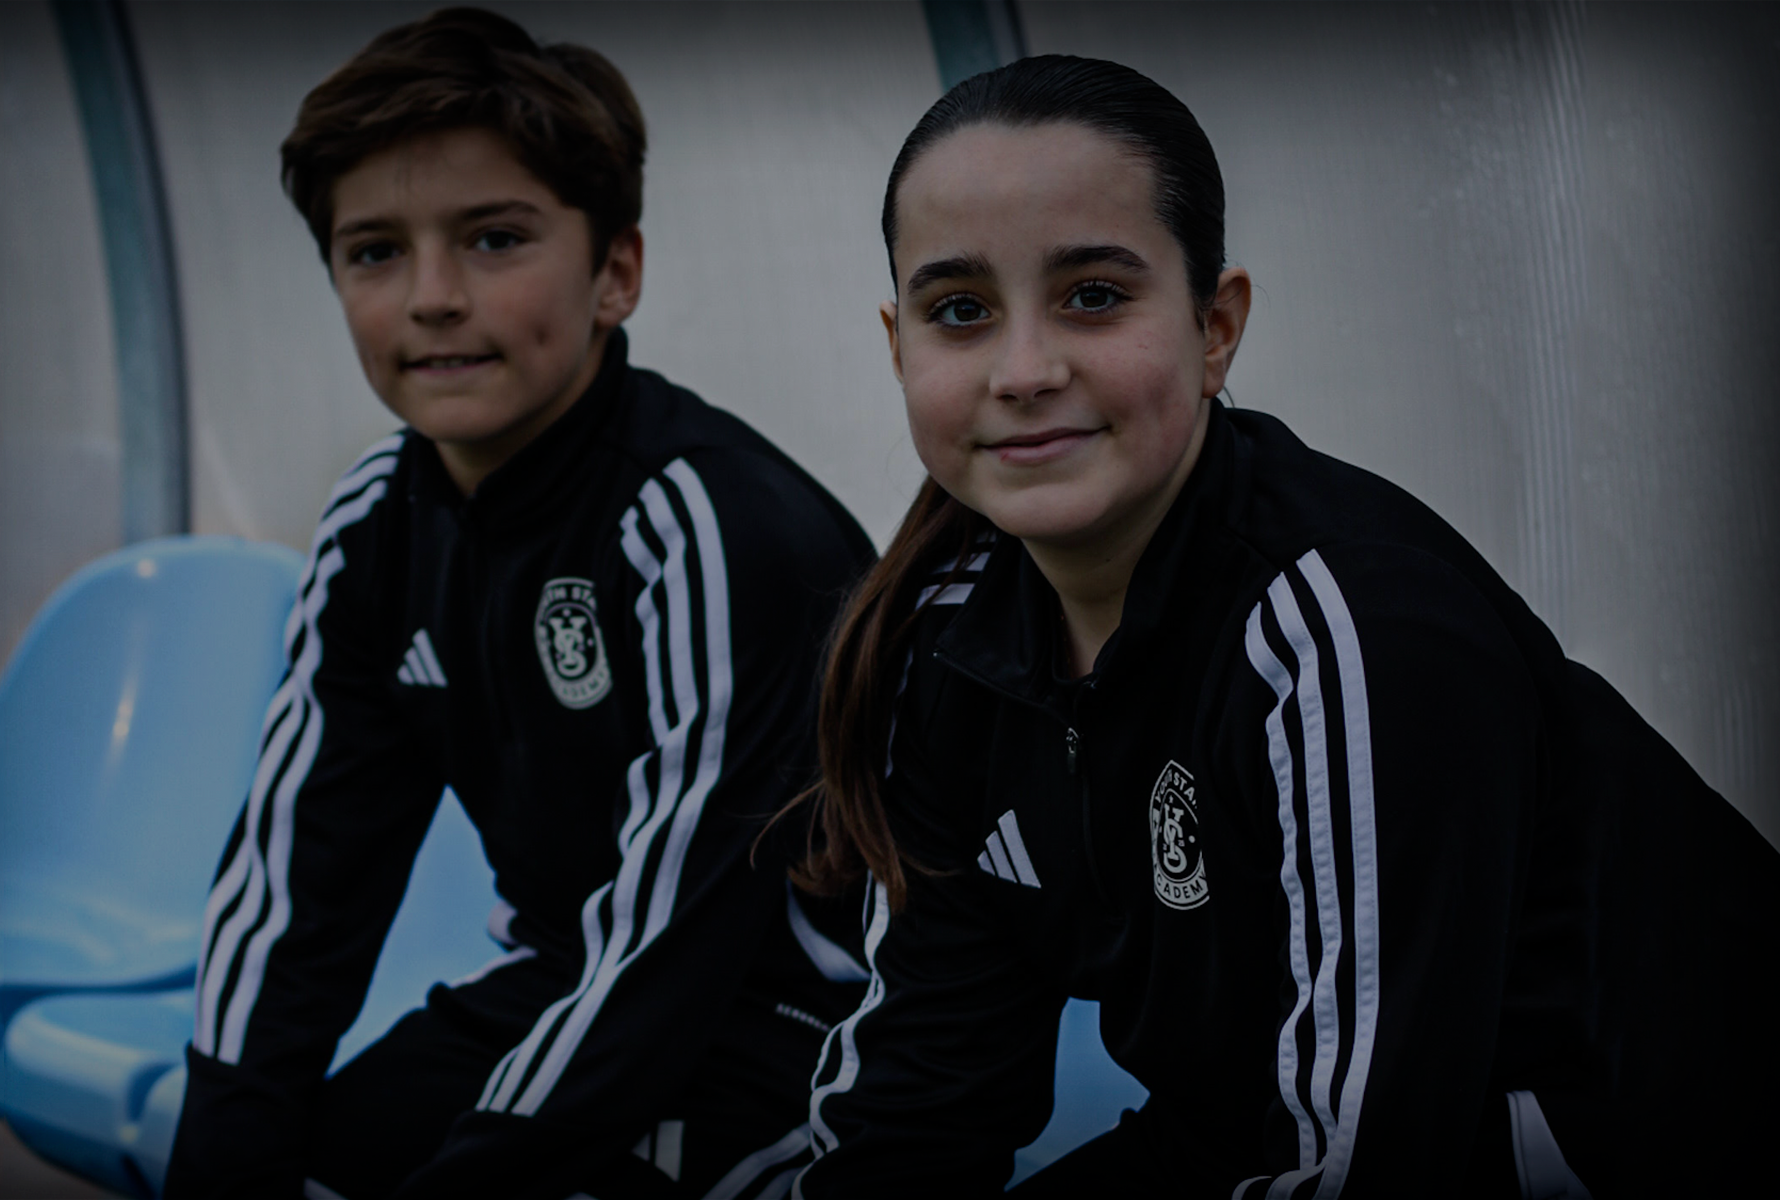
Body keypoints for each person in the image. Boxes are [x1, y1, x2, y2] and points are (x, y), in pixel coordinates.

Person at [790, 55, 1780, 1199]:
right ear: (898, 345)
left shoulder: (1349, 627)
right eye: (960, 311)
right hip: (1242, 1127)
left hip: (1591, 1143)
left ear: (1215, 328)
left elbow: (1372, 1163)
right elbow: (919, 1095)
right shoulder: (947, 640)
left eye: (1094, 296)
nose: (1024, 370)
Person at [166, 10, 874, 1198]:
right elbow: (301, 876)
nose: (432, 297)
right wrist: (224, 1152)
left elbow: (676, 946)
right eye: (374, 251)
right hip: (566, 982)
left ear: (616, 273)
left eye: (494, 239)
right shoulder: (375, 520)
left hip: (796, 1033)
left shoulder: (713, 525)